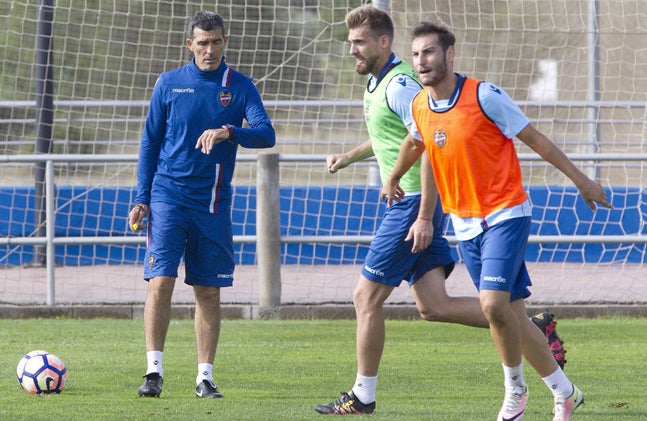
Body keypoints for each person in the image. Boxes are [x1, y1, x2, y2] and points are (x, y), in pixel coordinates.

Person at [316, 5, 567, 416]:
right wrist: (349, 156)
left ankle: (363, 394)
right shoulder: (378, 84)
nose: (352, 51)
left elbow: (430, 138)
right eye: (350, 43)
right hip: (412, 203)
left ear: (384, 42)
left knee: (365, 297)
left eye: (359, 43)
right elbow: (405, 136)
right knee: (433, 306)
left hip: (414, 204)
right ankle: (529, 327)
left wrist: (422, 214)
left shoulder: (400, 85)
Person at [383, 21, 613, 421]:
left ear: (449, 55)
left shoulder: (484, 95)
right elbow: (424, 154)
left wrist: (583, 181)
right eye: (416, 54)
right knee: (514, 317)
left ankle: (515, 392)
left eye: (429, 52)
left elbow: (536, 139)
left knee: (493, 305)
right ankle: (565, 392)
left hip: (506, 212)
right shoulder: (420, 105)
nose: (421, 61)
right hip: (465, 223)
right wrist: (420, 210)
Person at [128, 11, 275, 399]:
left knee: (208, 291)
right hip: (168, 196)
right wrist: (141, 198)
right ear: (189, 45)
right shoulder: (169, 84)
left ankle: (204, 377)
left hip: (212, 203)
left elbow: (266, 134)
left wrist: (230, 131)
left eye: (216, 42)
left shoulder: (240, 87)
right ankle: (153, 372)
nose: (209, 50)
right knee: (161, 281)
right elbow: (149, 143)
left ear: (225, 42)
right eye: (202, 43)